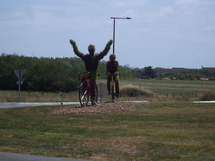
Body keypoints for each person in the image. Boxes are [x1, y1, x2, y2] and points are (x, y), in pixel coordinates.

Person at [70, 39, 113, 105]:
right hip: (91, 73)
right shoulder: (96, 57)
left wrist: (74, 44)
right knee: (91, 83)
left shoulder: (86, 57)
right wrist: (109, 44)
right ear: (94, 50)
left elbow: (77, 52)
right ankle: (90, 97)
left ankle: (87, 93)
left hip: (88, 72)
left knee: (89, 82)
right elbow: (104, 52)